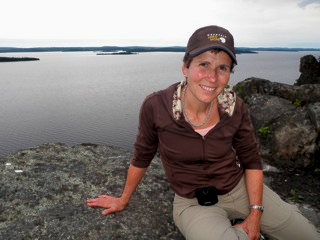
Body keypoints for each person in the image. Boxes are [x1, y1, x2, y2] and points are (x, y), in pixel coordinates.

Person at [87, 25, 319, 240]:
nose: (212, 77)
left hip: (240, 189)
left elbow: (251, 160)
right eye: (203, 64)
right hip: (193, 203)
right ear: (185, 67)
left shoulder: (235, 107)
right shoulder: (157, 106)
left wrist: (255, 214)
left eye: (222, 68)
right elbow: (142, 155)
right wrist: (123, 199)